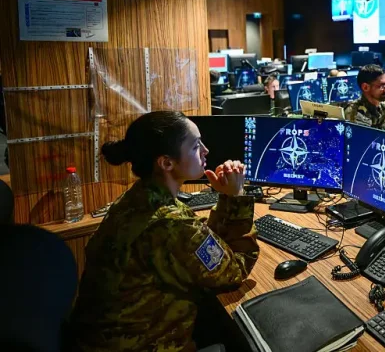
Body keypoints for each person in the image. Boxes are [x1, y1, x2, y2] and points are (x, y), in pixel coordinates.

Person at [70, 111, 259, 351]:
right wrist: (237, 197)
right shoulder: (170, 222)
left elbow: (196, 248)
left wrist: (227, 198)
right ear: (166, 163)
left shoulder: (138, 198)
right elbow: (235, 271)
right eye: (195, 146)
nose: (206, 150)